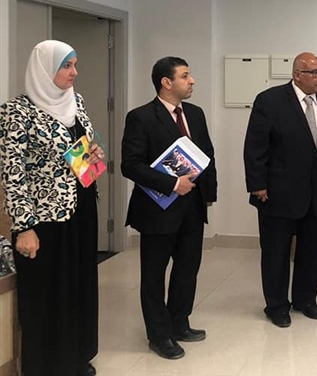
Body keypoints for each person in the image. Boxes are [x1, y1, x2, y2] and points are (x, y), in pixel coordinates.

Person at [0, 40, 103, 376]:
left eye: (75, 64)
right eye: (66, 66)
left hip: (82, 209)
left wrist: (93, 155)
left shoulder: (76, 102)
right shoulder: (17, 112)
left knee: (79, 285)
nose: (74, 72)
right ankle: (48, 367)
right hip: (44, 219)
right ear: (44, 69)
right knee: (47, 294)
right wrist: (23, 226)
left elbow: (79, 150)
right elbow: (13, 173)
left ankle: (77, 358)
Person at [122, 56, 218, 360]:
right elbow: (130, 165)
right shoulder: (141, 117)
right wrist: (173, 183)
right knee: (154, 276)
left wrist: (209, 193)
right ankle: (159, 335)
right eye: (185, 76)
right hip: (157, 209)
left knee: (187, 270)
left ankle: (179, 323)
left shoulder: (195, 114)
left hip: (192, 208)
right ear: (166, 82)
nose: (192, 81)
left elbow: (207, 154)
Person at [243, 52, 317, 328]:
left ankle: (305, 300)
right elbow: (255, 147)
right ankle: (277, 306)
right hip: (278, 193)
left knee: (313, 250)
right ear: (297, 74)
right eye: (315, 72)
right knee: (276, 253)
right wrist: (257, 185)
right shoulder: (270, 101)